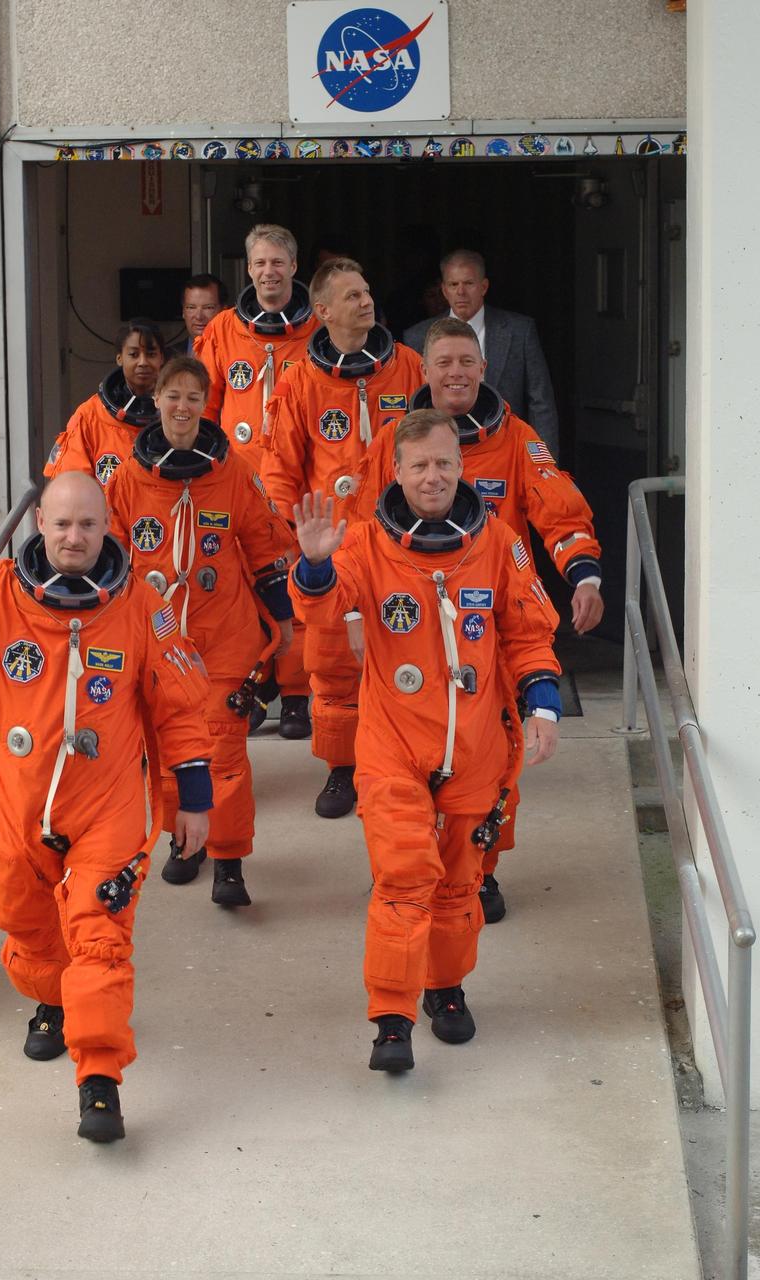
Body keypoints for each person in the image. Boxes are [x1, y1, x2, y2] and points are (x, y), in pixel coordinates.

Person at [0, 473, 212, 1142]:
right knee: (23, 923)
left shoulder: (142, 605)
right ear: (41, 528)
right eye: (61, 525)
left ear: (108, 526)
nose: (74, 537)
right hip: (17, 811)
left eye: (87, 524)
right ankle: (53, 1001)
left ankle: (100, 1081)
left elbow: (180, 709)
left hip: (106, 810)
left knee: (99, 938)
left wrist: (192, 801)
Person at [289, 410, 562, 1072]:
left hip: (474, 747)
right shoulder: (363, 543)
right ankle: (391, 1016)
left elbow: (527, 631)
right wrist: (317, 566)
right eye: (419, 466)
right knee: (404, 875)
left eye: (444, 464)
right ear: (397, 473)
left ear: (461, 468)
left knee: (459, 885)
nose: (433, 477)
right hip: (393, 748)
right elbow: (323, 610)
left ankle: (445, 987)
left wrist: (544, 704)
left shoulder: (497, 542)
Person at [347, 316, 603, 921]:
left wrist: (582, 571)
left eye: (467, 362)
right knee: (399, 762)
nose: (456, 373)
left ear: (483, 369)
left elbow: (555, 505)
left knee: (494, 763)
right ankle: (405, 869)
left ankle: (480, 870)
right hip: (407, 626)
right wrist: (355, 610)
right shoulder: (393, 442)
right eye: (444, 363)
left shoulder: (513, 437)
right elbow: (360, 528)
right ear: (425, 369)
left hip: (486, 622)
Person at [107, 356, 296, 907]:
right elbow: (113, 558)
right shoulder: (127, 476)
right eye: (173, 396)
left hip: (224, 637)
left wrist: (282, 620)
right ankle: (185, 841)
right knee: (167, 750)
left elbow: (263, 546)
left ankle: (229, 861)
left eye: (194, 397)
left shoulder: (233, 471)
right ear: (157, 401)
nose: (183, 407)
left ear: (205, 405)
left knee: (225, 753)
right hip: (159, 643)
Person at [260, 256, 423, 819]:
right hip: (331, 542)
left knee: (406, 645)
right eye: (352, 295)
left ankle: (409, 761)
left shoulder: (407, 368)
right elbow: (279, 466)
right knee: (331, 662)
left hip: (400, 538)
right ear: (323, 310)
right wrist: (291, 539)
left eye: (368, 290)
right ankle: (341, 769)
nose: (366, 300)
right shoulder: (300, 380)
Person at [194, 224, 317, 740]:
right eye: (259, 263)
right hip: (238, 488)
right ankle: (250, 688)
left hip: (295, 485)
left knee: (298, 594)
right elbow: (206, 406)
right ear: (248, 270)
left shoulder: (318, 329)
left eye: (278, 263)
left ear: (293, 267)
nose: (269, 272)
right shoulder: (224, 330)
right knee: (239, 595)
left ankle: (295, 696)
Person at [403, 250, 560, 456]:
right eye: (453, 285)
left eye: (468, 284)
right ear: (444, 289)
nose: (461, 292)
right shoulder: (416, 337)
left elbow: (541, 403)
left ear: (484, 286)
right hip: (439, 454)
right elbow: (410, 404)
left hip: (507, 452)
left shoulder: (519, 331)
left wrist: (544, 465)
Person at [45, 317, 166, 487]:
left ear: (162, 358)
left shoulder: (178, 412)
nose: (143, 362)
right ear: (119, 358)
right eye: (134, 354)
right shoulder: (90, 415)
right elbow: (72, 485)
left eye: (151, 354)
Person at [168, 273, 228, 357]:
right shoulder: (167, 357)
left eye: (208, 308)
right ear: (183, 311)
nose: (199, 316)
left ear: (224, 312)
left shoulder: (237, 354)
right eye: (191, 307)